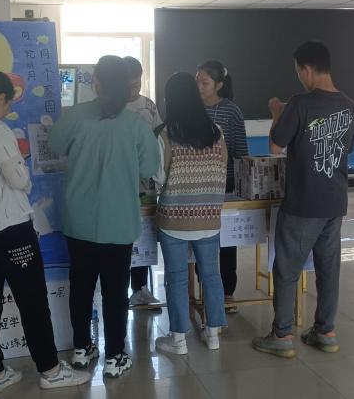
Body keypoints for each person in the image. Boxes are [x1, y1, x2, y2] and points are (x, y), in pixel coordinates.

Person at [0, 72, 91, 394]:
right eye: (8, 103)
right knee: (32, 299)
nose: (8, 109)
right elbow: (19, 180)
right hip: (8, 228)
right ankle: (51, 371)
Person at [49, 55, 160, 379]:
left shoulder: (75, 116)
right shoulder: (136, 125)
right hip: (118, 222)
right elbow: (149, 167)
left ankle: (81, 348)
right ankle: (114, 356)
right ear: (127, 86)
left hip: (79, 221)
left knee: (81, 287)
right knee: (115, 292)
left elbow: (54, 145)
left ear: (96, 83)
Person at [252, 41, 354, 358]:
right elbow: (347, 148)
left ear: (307, 69)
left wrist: (277, 113)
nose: (299, 77)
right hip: (335, 202)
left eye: (298, 71)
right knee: (328, 269)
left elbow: (275, 146)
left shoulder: (300, 104)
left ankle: (282, 335)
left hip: (303, 202)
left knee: (287, 270)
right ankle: (326, 331)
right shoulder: (350, 106)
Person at [152, 72, 228, 355]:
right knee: (211, 275)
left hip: (174, 219)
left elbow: (158, 177)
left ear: (169, 100)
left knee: (176, 278)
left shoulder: (165, 134)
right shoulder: (216, 132)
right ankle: (214, 334)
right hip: (208, 217)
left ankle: (178, 340)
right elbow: (223, 168)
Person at [196, 60, 248, 312]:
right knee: (201, 239)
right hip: (197, 187)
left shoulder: (231, 111)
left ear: (218, 84)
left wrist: (241, 187)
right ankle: (204, 288)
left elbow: (240, 151)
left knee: (227, 242)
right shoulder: (192, 108)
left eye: (204, 82)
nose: (199, 86)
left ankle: (228, 292)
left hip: (225, 187)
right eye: (197, 81)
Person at [123, 56, 163, 308]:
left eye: (137, 84)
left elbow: (159, 139)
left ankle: (140, 289)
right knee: (122, 237)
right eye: (129, 85)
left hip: (145, 184)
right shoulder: (112, 108)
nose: (133, 90)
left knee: (144, 235)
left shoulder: (148, 106)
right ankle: (120, 288)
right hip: (119, 183)